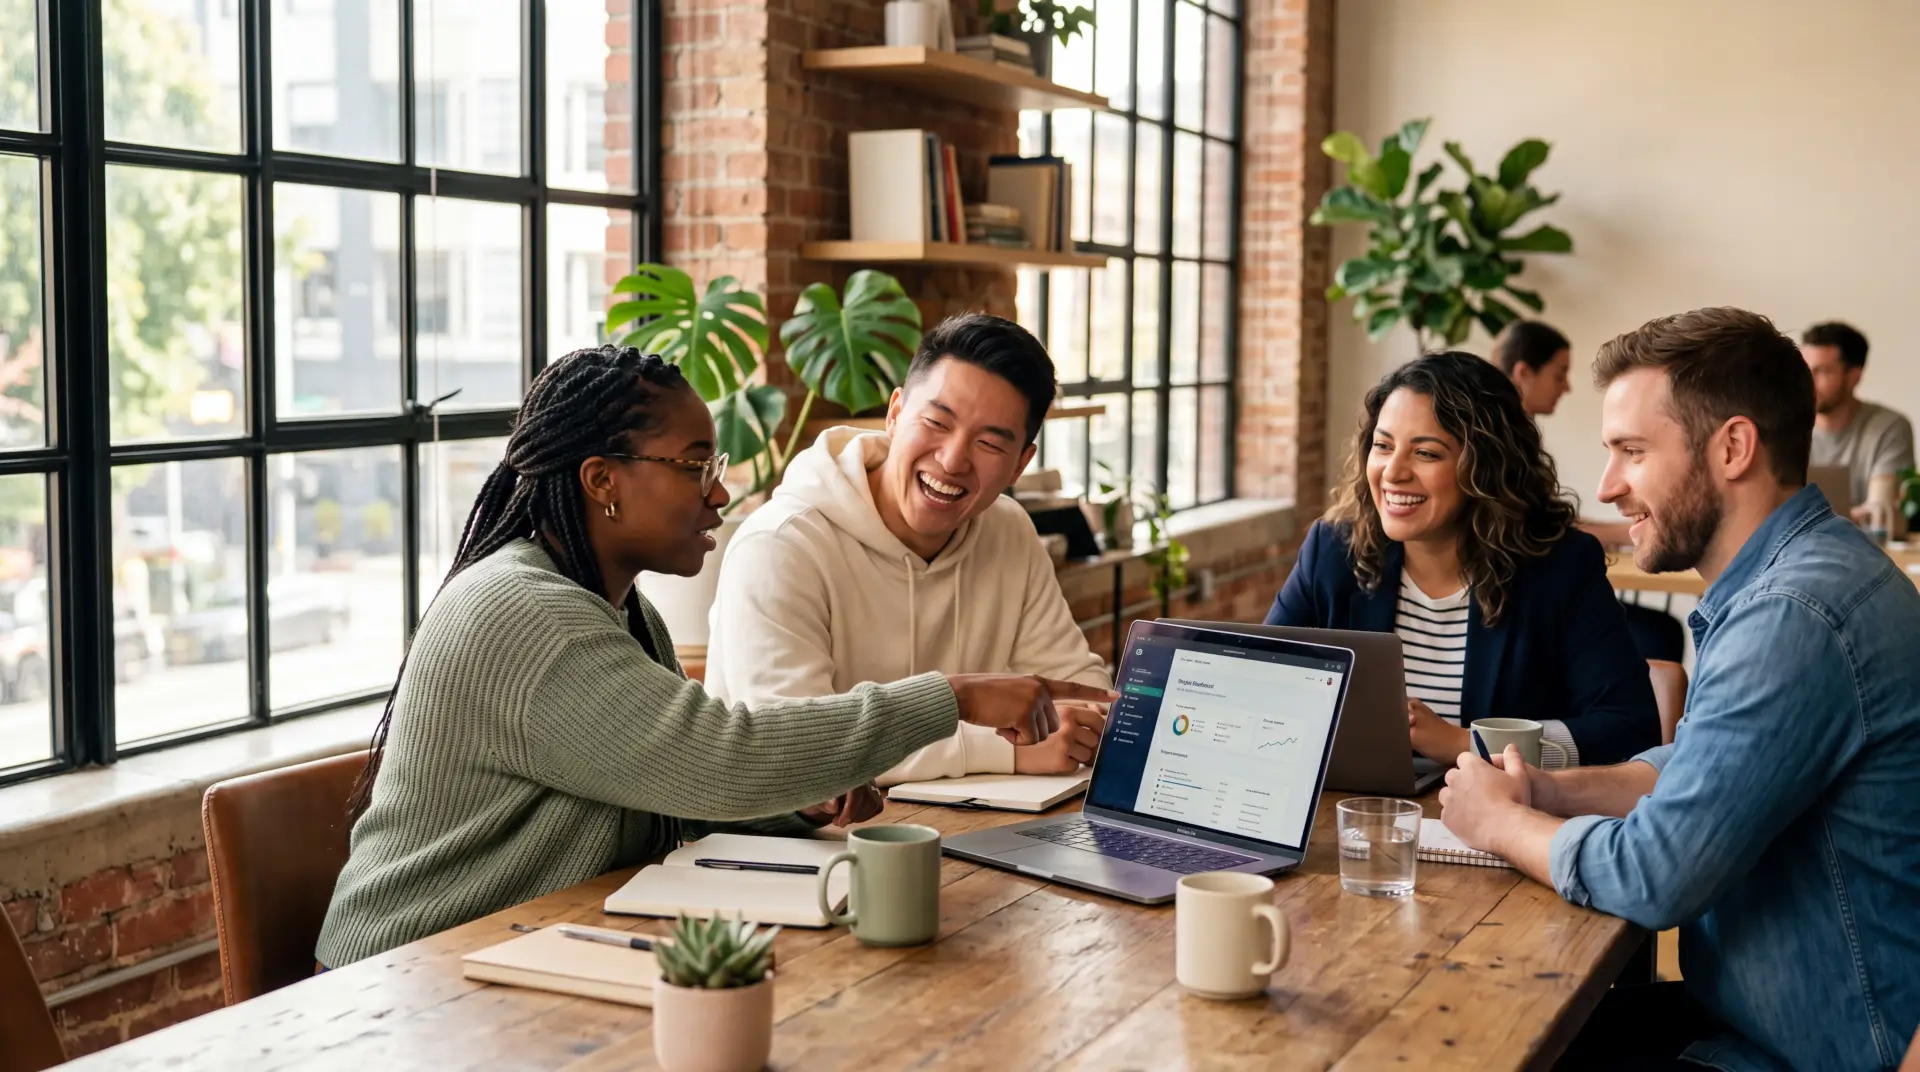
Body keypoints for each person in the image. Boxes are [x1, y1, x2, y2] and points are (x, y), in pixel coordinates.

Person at [314, 345, 1112, 968]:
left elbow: (665, 789)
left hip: (531, 944)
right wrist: (953, 696)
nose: (720, 494)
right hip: (411, 977)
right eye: (697, 467)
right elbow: (723, 756)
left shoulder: (623, 613)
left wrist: (794, 806)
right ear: (603, 481)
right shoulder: (529, 616)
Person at [1440, 307, 1920, 1072]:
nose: (1608, 486)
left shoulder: (1792, 616)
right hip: (1762, 1018)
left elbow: (1656, 875)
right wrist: (1552, 793)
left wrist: (1499, 824)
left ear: (1732, 447)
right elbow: (1698, 765)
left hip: (1811, 1051)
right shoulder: (1798, 576)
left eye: (1632, 451)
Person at [704, 313, 1110, 790]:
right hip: (797, 851)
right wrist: (1007, 750)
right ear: (895, 414)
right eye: (937, 422)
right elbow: (792, 751)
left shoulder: (1008, 531)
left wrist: (1083, 729)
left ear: (1022, 463)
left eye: (988, 443)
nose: (953, 459)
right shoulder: (780, 547)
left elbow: (1083, 696)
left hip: (972, 831)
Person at [1264, 351, 1659, 769]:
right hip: (1357, 814)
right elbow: (1258, 685)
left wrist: (1462, 743)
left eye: (1427, 453)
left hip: (1497, 823)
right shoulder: (1332, 551)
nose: (1392, 472)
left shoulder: (1560, 567)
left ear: (1487, 467)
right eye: (1383, 446)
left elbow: (1629, 729)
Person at [1496, 319, 1685, 663]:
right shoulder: (1503, 447)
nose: (1566, 387)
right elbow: (1541, 531)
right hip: (1523, 600)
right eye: (1559, 373)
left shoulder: (1516, 440)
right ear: (1523, 373)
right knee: (1660, 633)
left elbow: (1547, 517)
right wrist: (1640, 528)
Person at [1802, 321, 1915, 527]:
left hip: (1865, 550)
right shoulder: (1786, 427)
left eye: (1822, 371)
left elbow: (1880, 509)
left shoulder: (1888, 428)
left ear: (1854, 377)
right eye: (1805, 369)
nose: (1808, 381)